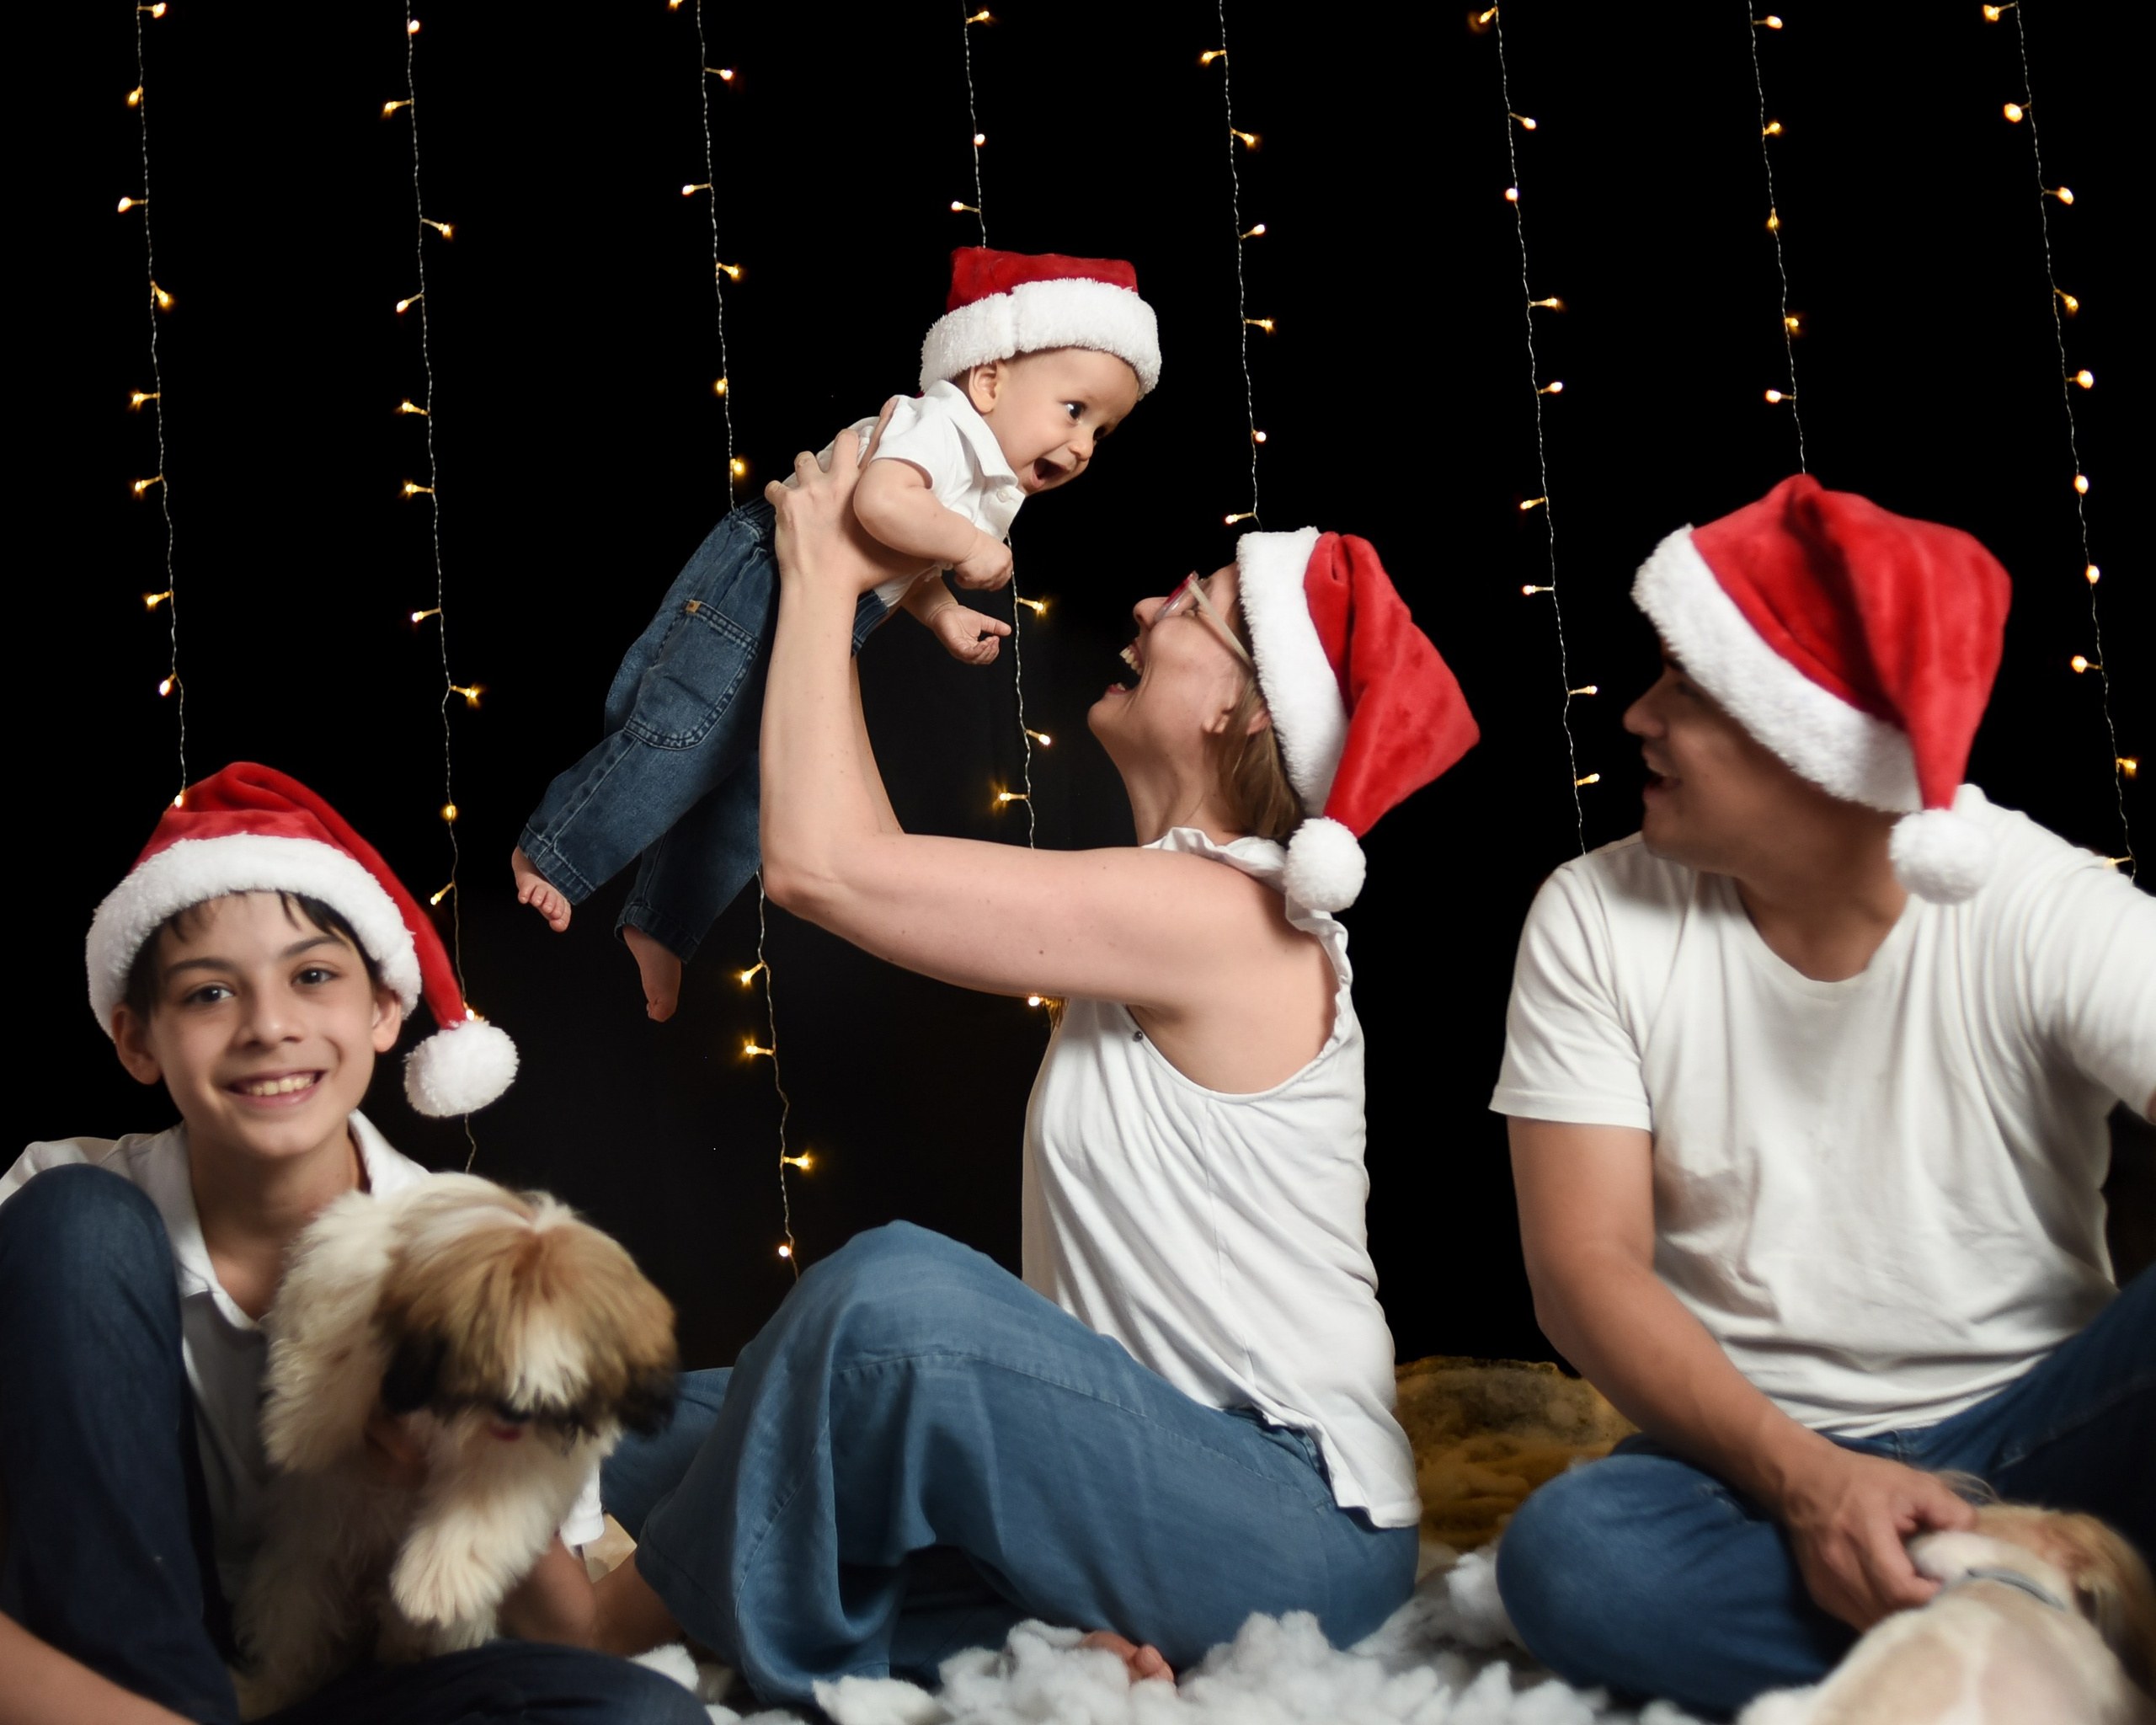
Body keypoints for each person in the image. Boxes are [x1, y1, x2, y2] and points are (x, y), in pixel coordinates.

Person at [563, 419, 1483, 1710]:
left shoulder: (1238, 919)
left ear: (1241, 706)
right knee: (633, 1413)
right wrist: (856, 586)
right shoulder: (1170, 904)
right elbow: (845, 855)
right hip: (1125, 1462)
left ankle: (600, 1630)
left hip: (1285, 1523)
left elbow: (825, 869)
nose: (1156, 601)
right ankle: (1020, 1633)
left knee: (887, 1306)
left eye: (1200, 605)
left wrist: (825, 577)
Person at [1487, 475, 2156, 1717]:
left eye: (1685, 687)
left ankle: (1997, 1597)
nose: (1636, 716)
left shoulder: (2032, 900)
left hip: (2047, 1433)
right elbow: (1585, 1270)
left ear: (1815, 745)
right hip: (1748, 1462)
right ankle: (2032, 1608)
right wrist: (1805, 1483)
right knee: (1578, 1561)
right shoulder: (1590, 914)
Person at [0, 763, 703, 1725]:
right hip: (119, 1676)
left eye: (314, 975)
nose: (270, 1025)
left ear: (383, 1010)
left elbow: (564, 1627)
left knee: (639, 1713)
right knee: (75, 1221)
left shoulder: (484, 1255)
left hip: (372, 1668)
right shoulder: (48, 1197)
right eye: (209, 994)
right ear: (137, 1038)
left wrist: (466, 1468)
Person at [510, 247, 1159, 1023]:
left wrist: (943, 608)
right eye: (1075, 410)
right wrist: (966, 546)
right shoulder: (941, 425)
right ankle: (554, 848)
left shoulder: (992, 485)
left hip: (830, 609)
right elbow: (883, 506)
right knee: (683, 730)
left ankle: (663, 924)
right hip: (764, 578)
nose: (1085, 445)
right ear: (988, 379)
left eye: (1104, 432)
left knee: (759, 785)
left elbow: (902, 563)